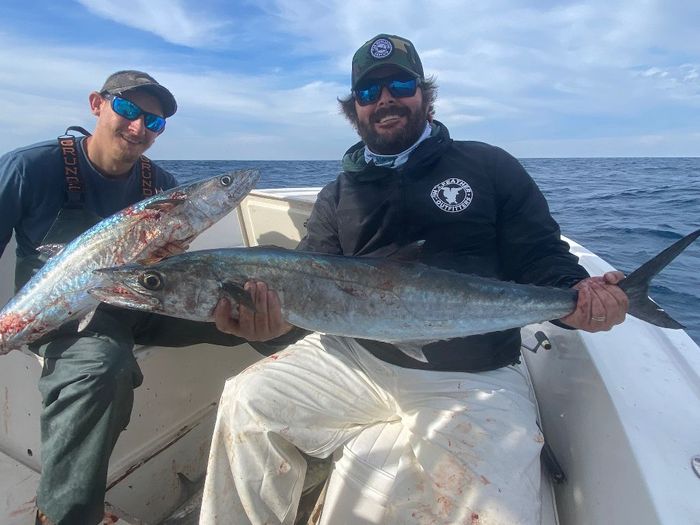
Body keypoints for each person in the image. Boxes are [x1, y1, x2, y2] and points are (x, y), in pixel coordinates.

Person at [199, 34, 629, 524]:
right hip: (357, 356)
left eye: (399, 84)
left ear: (424, 95)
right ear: (354, 109)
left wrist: (581, 297)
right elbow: (307, 293)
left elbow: (541, 256)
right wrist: (269, 330)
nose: (384, 98)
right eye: (368, 92)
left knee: (492, 513)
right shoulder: (336, 195)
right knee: (246, 400)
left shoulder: (489, 166)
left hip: (473, 372)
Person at [0, 70, 243, 525]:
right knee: (102, 366)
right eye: (129, 111)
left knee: (248, 308)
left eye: (154, 123)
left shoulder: (162, 184)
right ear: (97, 104)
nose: (139, 129)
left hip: (145, 297)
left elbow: (164, 269)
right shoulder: (31, 168)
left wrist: (164, 257)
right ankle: (60, 514)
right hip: (63, 316)